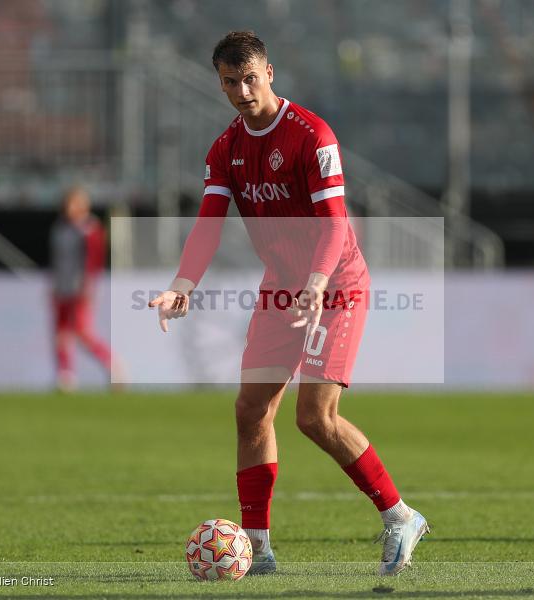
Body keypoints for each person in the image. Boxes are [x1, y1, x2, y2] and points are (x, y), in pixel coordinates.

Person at [148, 31, 428, 576]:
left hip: (336, 286)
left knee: (314, 416)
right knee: (250, 411)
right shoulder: (225, 149)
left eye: (249, 78)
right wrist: (182, 284)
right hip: (282, 287)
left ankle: (400, 517)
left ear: (270, 73)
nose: (242, 91)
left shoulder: (312, 136)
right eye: (230, 82)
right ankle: (257, 550)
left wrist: (320, 279)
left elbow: (334, 223)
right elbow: (208, 224)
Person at [50, 186, 123, 390]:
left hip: (81, 287)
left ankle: (112, 364)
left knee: (82, 332)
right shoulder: (60, 229)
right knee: (61, 332)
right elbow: (57, 260)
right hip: (62, 287)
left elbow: (94, 261)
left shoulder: (90, 229)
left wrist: (88, 286)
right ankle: (65, 375)